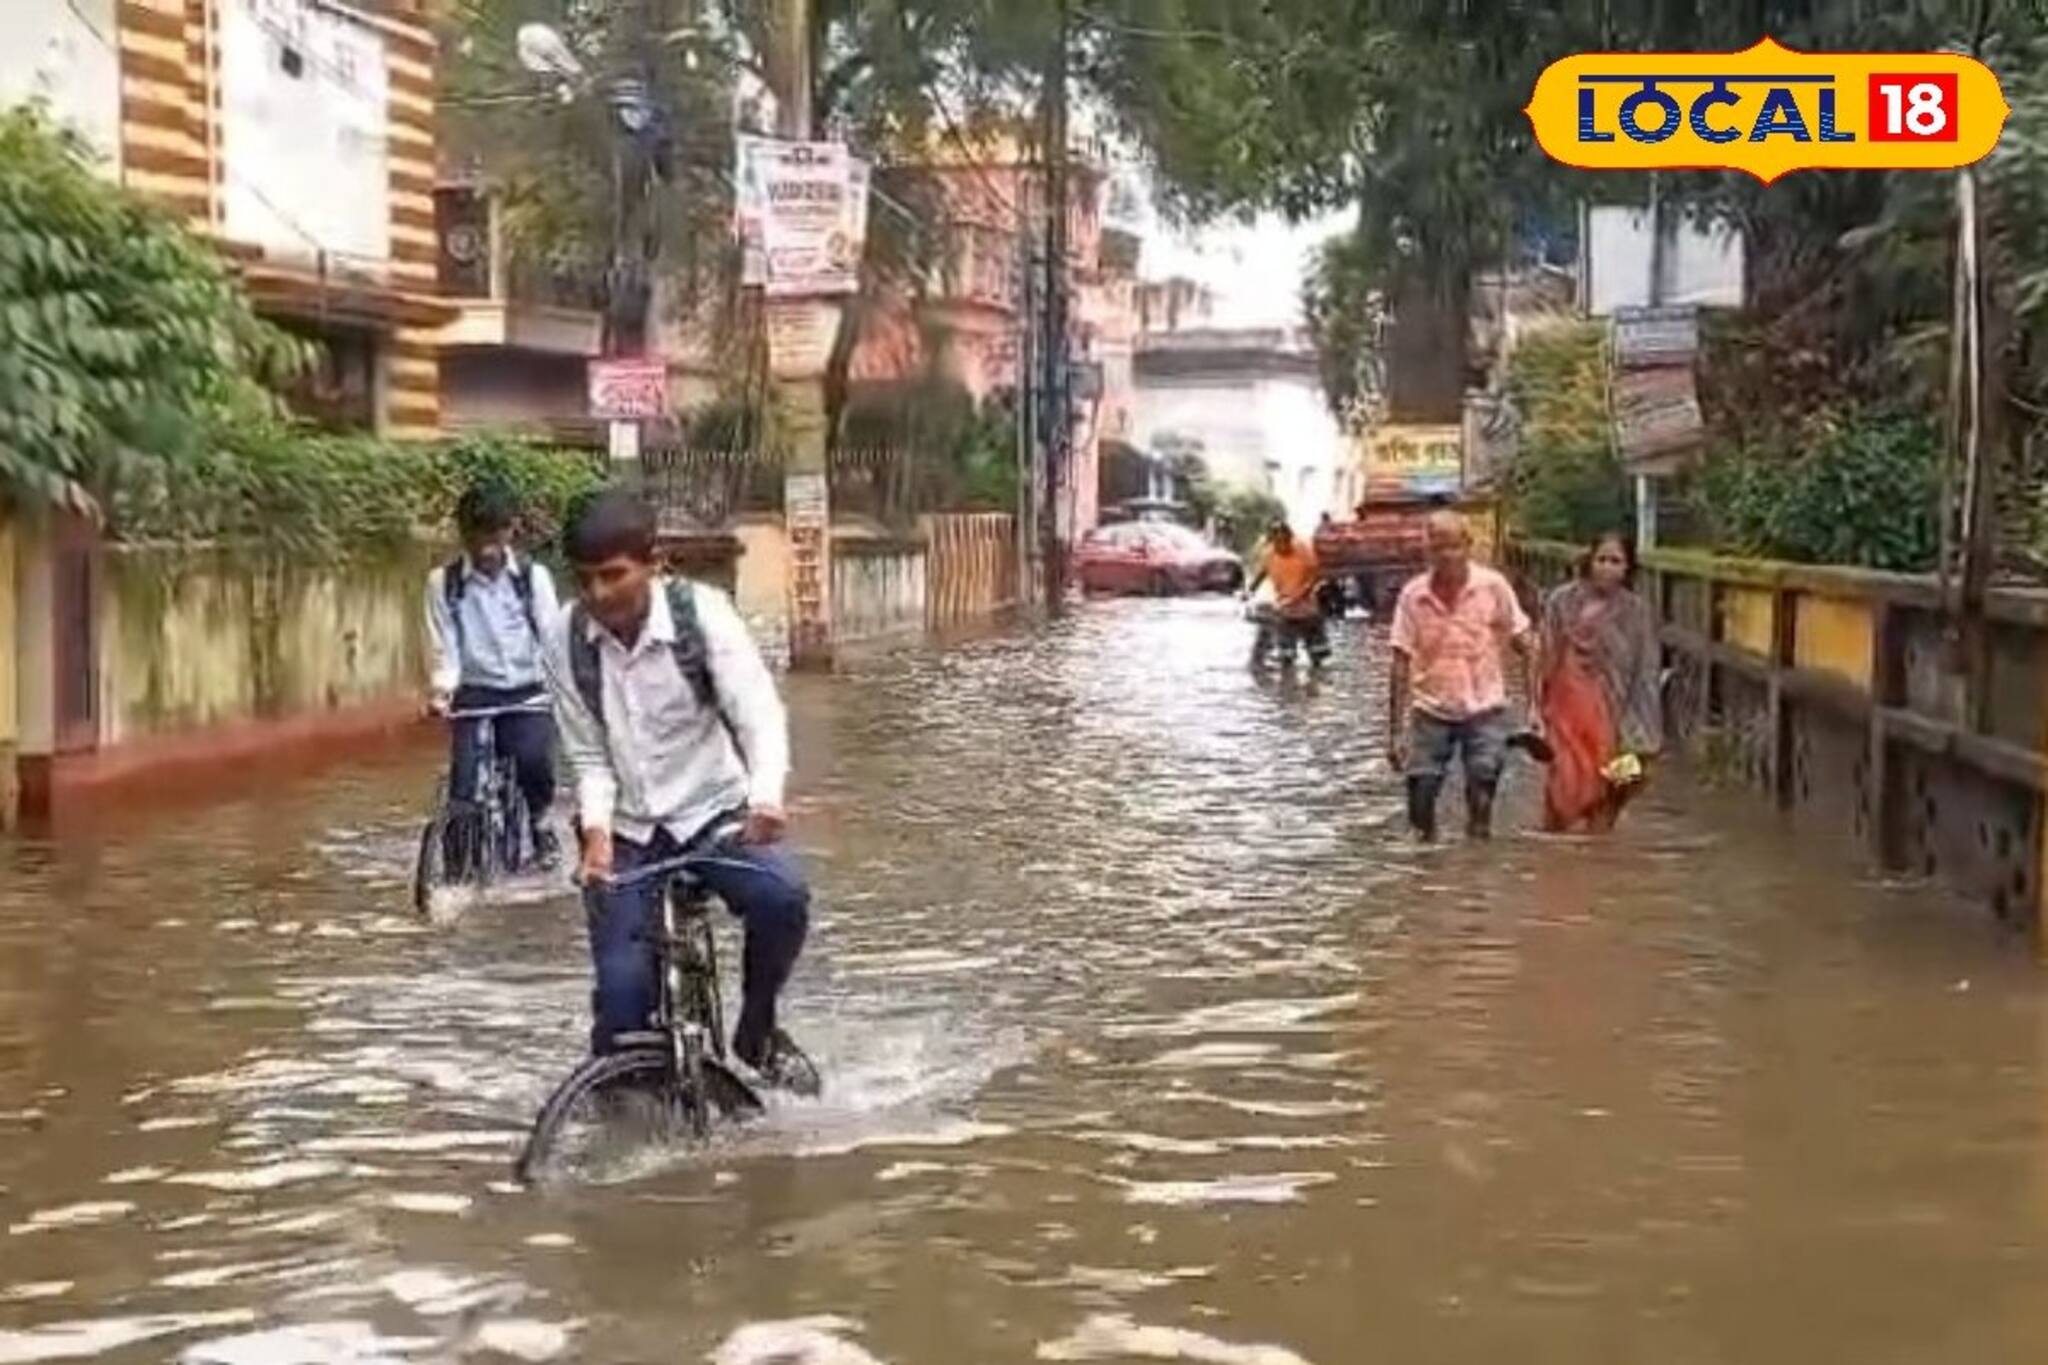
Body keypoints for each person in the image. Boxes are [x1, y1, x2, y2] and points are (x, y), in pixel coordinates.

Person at [545, 489, 816, 1090]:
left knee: (782, 897)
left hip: (713, 814)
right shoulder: (564, 639)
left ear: (654, 563)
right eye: (584, 580)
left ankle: (758, 1028)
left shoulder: (704, 617)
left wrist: (766, 799)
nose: (598, 594)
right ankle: (627, 1106)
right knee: (622, 1005)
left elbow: (758, 715)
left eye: (613, 575)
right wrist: (596, 836)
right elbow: (587, 754)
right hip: (627, 830)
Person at [425, 482, 562, 870]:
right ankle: (457, 870)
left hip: (528, 692)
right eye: (475, 536)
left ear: (509, 530)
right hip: (473, 694)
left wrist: (561, 686)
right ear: (463, 534)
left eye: (493, 534)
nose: (485, 547)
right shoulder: (443, 583)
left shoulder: (533, 578)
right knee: (464, 789)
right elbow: (443, 644)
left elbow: (552, 637)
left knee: (534, 763)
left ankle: (540, 824)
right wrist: (442, 691)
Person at [1387, 511, 1535, 841]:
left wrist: (1534, 709)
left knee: (1482, 797)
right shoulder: (1413, 595)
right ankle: (1427, 867)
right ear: (1427, 550)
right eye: (1438, 547)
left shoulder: (1493, 587)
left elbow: (1526, 644)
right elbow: (1399, 661)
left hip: (1485, 709)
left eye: (1454, 546)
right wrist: (1395, 733)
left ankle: (1476, 863)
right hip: (1430, 709)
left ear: (1468, 546)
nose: (1447, 556)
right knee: (1421, 800)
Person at [1536, 532, 1663, 833]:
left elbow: (1646, 670)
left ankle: (1598, 843)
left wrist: (1643, 729)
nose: (1607, 567)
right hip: (1567, 713)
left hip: (1614, 712)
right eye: (1601, 559)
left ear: (1628, 568)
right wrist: (1537, 708)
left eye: (1615, 561)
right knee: (1565, 786)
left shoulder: (1636, 612)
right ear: (1589, 561)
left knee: (1624, 779)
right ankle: (1558, 845)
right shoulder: (1562, 601)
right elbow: (1546, 655)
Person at [1246, 519, 1331, 668]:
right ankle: (1288, 675)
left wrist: (1302, 594)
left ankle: (1317, 674)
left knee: (1317, 652)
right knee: (1286, 654)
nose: (1282, 545)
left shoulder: (1303, 551)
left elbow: (1315, 576)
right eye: (1277, 541)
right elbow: (1262, 573)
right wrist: (1250, 590)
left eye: (1284, 540)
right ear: (1272, 541)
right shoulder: (1270, 555)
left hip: (1307, 608)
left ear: (1290, 538)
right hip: (1285, 610)